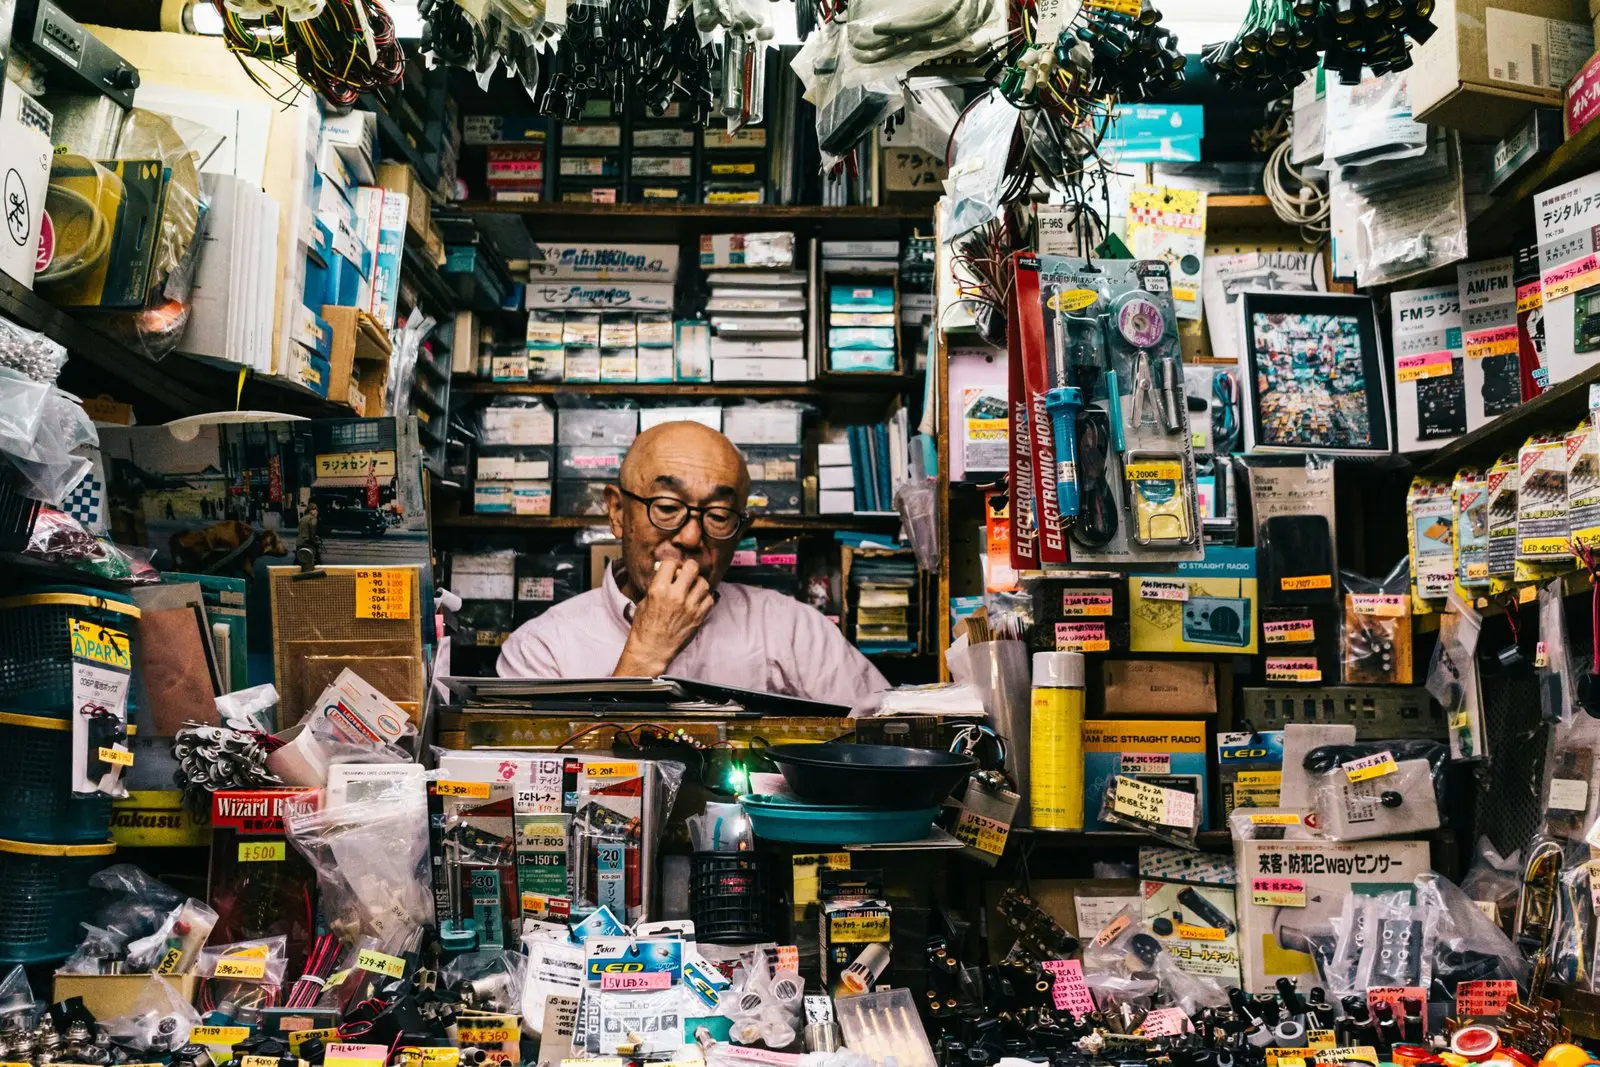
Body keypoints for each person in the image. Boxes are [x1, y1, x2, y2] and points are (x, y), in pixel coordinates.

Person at [497, 421, 888, 707]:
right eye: (666, 508)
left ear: (738, 532)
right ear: (618, 512)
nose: (689, 537)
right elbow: (539, 801)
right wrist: (646, 653)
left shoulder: (792, 629)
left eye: (718, 515)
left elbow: (885, 735)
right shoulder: (542, 648)